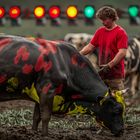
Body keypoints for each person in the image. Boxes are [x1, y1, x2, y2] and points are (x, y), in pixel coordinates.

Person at [80, 6, 128, 91]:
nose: (103, 22)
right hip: (101, 74)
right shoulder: (100, 31)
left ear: (112, 18)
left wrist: (109, 65)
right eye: (101, 20)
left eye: (105, 19)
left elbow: (122, 52)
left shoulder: (121, 33)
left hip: (115, 75)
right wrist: (77, 54)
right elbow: (90, 46)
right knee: (101, 100)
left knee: (117, 100)